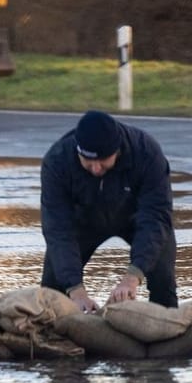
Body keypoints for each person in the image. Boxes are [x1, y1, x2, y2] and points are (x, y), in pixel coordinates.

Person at [39, 110, 177, 310]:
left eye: (103, 161)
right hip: (84, 220)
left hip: (136, 218)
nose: (96, 168)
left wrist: (133, 277)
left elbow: (156, 218)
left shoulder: (147, 153)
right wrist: (75, 289)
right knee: (53, 285)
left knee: (163, 277)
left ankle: (168, 330)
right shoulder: (57, 161)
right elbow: (57, 229)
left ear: (118, 150)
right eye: (87, 161)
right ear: (77, 150)